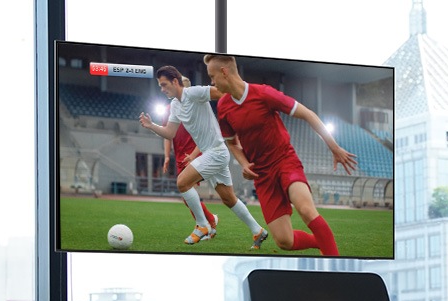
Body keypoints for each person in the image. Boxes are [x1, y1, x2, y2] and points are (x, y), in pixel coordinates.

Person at [204, 53, 358, 256]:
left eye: (212, 76)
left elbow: (308, 114)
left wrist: (334, 147)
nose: (212, 82)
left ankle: (336, 265)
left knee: (306, 210)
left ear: (224, 72)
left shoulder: (263, 94)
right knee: (284, 241)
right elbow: (232, 143)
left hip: (285, 161)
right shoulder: (223, 106)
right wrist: (243, 163)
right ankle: (323, 242)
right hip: (263, 175)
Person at [139, 65, 270, 249]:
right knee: (229, 199)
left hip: (216, 152)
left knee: (182, 182)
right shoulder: (175, 106)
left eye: (164, 84)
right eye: (160, 86)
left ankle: (202, 225)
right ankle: (258, 231)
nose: (162, 89)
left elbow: (223, 92)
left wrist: (240, 108)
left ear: (175, 82)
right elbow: (170, 133)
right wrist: (151, 125)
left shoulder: (195, 93)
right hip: (211, 153)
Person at [162, 77, 219, 238]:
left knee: (188, 193)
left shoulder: (195, 107)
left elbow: (203, 132)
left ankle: (207, 224)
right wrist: (167, 156)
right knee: (187, 197)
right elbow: (167, 135)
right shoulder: (170, 109)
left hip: (193, 155)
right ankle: (209, 221)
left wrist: (195, 154)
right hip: (180, 156)